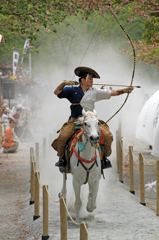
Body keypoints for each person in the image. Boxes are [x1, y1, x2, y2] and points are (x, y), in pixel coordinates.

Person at [52, 66, 133, 170]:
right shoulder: (72, 90)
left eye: (92, 79)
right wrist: (64, 84)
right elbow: (56, 92)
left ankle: (104, 159)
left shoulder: (94, 91)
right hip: (75, 121)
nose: (92, 81)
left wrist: (125, 90)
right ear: (82, 80)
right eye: (90, 79)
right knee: (63, 137)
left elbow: (111, 93)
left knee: (107, 136)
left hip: (91, 120)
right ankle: (62, 159)